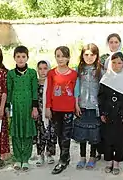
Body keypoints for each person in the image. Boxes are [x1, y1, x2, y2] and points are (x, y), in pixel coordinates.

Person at [98, 51, 123, 175]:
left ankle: (117, 162)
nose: (116, 65)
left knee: (119, 140)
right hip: (108, 115)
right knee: (108, 139)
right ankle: (108, 161)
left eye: (119, 63)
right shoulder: (106, 78)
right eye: (113, 62)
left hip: (121, 116)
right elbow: (101, 97)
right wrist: (102, 113)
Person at [45, 46, 78, 174]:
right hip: (55, 109)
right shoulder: (51, 73)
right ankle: (66, 155)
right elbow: (48, 91)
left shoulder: (74, 74)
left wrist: (76, 106)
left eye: (63, 56)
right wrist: (48, 107)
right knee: (59, 134)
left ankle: (63, 160)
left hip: (68, 109)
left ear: (68, 58)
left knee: (66, 135)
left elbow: (76, 92)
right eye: (58, 56)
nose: (60, 59)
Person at [6, 46, 38, 171]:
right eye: (18, 56)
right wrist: (7, 106)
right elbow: (9, 90)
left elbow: (34, 90)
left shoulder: (31, 73)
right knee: (16, 133)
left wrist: (35, 107)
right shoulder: (11, 74)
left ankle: (25, 159)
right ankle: (18, 158)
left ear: (27, 58)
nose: (20, 59)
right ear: (14, 58)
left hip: (28, 107)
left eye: (23, 56)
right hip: (16, 108)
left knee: (28, 132)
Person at [73, 43, 102, 169]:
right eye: (86, 54)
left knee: (94, 134)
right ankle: (82, 157)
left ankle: (92, 157)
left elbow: (102, 89)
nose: (89, 57)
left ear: (96, 56)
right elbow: (76, 88)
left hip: (95, 106)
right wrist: (76, 104)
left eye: (92, 54)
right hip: (82, 105)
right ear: (82, 55)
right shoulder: (78, 69)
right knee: (82, 133)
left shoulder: (100, 70)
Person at [35, 60, 57, 167]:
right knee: (40, 133)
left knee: (51, 132)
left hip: (50, 112)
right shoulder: (35, 83)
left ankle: (49, 154)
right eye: (40, 68)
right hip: (39, 112)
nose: (43, 71)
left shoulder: (52, 82)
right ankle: (40, 154)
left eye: (45, 68)